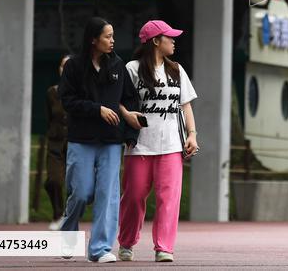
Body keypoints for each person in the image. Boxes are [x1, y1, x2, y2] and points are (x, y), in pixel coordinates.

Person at [58, 17, 143, 264]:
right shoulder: (73, 66)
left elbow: (130, 101)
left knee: (108, 195)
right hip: (81, 139)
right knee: (81, 192)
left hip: (111, 142)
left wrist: (130, 134)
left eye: (113, 36)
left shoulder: (118, 65)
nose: (112, 41)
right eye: (108, 36)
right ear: (93, 40)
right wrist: (97, 109)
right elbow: (67, 101)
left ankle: (100, 249)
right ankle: (68, 233)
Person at [118, 20, 198, 264]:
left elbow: (185, 105)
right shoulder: (132, 69)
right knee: (133, 197)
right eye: (169, 37)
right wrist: (126, 115)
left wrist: (192, 134)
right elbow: (118, 100)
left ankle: (164, 248)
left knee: (169, 198)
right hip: (139, 146)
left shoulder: (176, 70)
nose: (174, 41)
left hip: (172, 146)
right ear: (155, 41)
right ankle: (127, 243)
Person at [45, 55, 70, 230]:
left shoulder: (83, 91)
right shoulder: (52, 92)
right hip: (55, 143)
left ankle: (69, 216)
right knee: (53, 181)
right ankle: (58, 214)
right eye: (63, 66)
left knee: (77, 185)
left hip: (76, 143)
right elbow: (50, 117)